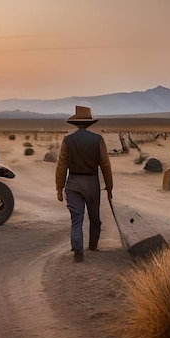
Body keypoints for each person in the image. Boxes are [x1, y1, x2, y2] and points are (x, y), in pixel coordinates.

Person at [55, 106, 113, 262]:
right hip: (91, 183)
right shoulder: (97, 140)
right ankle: (93, 245)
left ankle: (78, 249)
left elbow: (61, 165)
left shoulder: (68, 140)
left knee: (76, 218)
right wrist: (109, 187)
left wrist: (59, 188)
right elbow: (105, 165)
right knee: (95, 217)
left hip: (73, 183)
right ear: (89, 123)